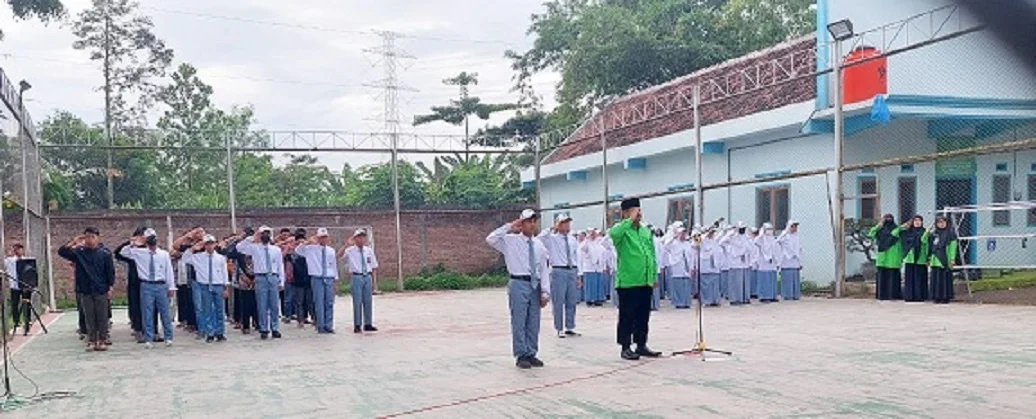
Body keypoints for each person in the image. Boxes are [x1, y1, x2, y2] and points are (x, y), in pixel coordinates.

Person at [486, 209, 551, 369]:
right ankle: (521, 354)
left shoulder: (539, 244)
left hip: (534, 284)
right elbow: (491, 239)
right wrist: (509, 226)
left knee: (533, 321)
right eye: (528, 221)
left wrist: (545, 291)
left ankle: (531, 352)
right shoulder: (510, 241)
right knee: (519, 320)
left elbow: (543, 268)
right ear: (521, 223)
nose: (532, 224)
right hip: (518, 282)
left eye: (534, 221)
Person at [609, 198, 661, 361]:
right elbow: (613, 234)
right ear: (625, 213)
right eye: (634, 210)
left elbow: (651, 254)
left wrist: (653, 275)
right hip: (628, 281)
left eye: (639, 210)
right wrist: (628, 220)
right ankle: (625, 347)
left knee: (643, 315)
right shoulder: (622, 230)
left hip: (644, 280)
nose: (638, 214)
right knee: (627, 316)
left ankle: (641, 344)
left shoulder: (645, 231)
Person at [58, 228, 115, 352]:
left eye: (92, 237)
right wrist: (73, 242)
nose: (90, 240)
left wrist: (110, 287)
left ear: (98, 238)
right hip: (85, 289)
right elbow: (62, 252)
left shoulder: (105, 253)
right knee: (89, 316)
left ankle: (102, 339)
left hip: (101, 289)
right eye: (87, 237)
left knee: (102, 315)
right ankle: (92, 340)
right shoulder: (79, 252)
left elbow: (110, 272)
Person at [119, 228, 176, 349]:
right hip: (146, 284)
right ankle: (148, 337)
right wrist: (133, 242)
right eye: (149, 240)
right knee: (147, 312)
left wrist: (171, 287)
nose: (152, 243)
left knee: (165, 312)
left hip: (161, 284)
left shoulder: (163, 254)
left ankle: (168, 337)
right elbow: (122, 252)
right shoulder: (139, 253)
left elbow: (169, 271)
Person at [234, 226, 286, 340]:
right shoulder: (254, 248)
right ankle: (263, 328)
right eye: (263, 234)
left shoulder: (276, 249)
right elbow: (239, 247)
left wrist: (281, 281)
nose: (265, 236)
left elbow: (280, 265)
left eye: (267, 233)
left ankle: (275, 328)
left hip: (273, 276)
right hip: (260, 277)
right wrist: (253, 237)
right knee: (262, 305)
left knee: (274, 305)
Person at [538, 213, 582, 338]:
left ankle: (570, 326)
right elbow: (540, 238)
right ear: (558, 224)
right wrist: (553, 228)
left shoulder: (572, 239)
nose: (567, 225)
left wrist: (578, 275)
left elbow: (575, 257)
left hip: (571, 270)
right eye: (563, 223)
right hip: (559, 270)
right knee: (558, 301)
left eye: (568, 222)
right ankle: (559, 327)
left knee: (571, 301)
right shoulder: (551, 238)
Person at [186, 234, 229, 342]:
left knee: (220, 310)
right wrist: (193, 249)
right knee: (207, 310)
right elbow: (185, 258)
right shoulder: (198, 257)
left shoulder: (220, 258)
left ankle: (220, 332)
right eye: (207, 244)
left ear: (215, 244)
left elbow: (224, 273)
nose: (209, 246)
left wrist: (225, 287)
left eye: (211, 244)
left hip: (218, 284)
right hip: (204, 285)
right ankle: (210, 332)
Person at [297, 228, 339, 334]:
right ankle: (320, 325)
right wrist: (307, 242)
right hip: (317, 277)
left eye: (325, 237)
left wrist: (335, 280)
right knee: (319, 302)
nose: (323, 240)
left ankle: (328, 325)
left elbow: (333, 265)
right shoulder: (311, 249)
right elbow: (298, 250)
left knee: (329, 302)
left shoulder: (331, 250)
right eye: (321, 237)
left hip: (328, 277)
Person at [341, 229, 379, 334]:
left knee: (368, 301)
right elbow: (339, 256)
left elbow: (374, 266)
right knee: (357, 301)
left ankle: (368, 323)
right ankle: (357, 324)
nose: (361, 239)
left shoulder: (368, 251)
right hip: (356, 276)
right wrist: (345, 245)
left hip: (367, 276)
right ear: (355, 238)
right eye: (359, 237)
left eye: (363, 237)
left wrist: (374, 283)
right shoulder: (350, 250)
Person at [173, 227, 205, 338]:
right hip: (194, 278)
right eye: (197, 232)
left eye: (201, 232)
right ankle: (197, 326)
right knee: (196, 304)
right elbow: (176, 246)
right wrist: (187, 236)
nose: (199, 234)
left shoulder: (207, 244)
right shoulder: (190, 246)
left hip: (208, 278)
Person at [869, 214, 904, 301]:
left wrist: (901, 257)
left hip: (893, 257)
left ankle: (893, 295)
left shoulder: (897, 230)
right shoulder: (880, 230)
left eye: (890, 218)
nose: (888, 220)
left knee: (893, 277)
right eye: (886, 218)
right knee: (882, 277)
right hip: (883, 257)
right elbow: (870, 234)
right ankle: (882, 295)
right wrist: (878, 225)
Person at [900, 215, 929, 302]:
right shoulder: (907, 232)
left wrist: (928, 257)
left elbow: (925, 242)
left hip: (921, 258)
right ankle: (909, 296)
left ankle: (920, 296)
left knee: (920, 278)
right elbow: (895, 233)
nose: (917, 222)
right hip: (910, 258)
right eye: (915, 220)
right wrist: (902, 226)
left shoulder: (925, 232)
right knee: (909, 279)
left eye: (919, 220)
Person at [286, 230, 313, 327]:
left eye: (303, 242)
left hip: (309, 279)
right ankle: (300, 320)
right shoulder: (292, 254)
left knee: (310, 301)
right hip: (297, 280)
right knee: (299, 301)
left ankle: (314, 318)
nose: (301, 244)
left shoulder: (310, 252)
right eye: (298, 242)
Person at [929, 217, 958, 304]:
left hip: (945, 259)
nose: (941, 224)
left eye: (943, 222)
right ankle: (936, 297)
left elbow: (953, 247)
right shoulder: (934, 234)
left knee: (945, 279)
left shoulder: (950, 234)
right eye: (939, 222)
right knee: (936, 279)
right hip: (935, 260)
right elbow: (931, 246)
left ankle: (945, 297)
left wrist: (952, 259)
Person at [722, 222, 752, 305]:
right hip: (734, 263)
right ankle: (734, 299)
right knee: (735, 282)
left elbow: (750, 248)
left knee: (744, 283)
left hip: (744, 263)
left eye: (744, 228)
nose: (742, 230)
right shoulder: (732, 237)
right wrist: (731, 233)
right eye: (741, 228)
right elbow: (721, 242)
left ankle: (744, 298)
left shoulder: (746, 238)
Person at [665, 228, 694, 309]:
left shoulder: (688, 244)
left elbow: (691, 257)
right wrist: (673, 237)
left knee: (686, 285)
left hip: (686, 267)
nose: (683, 235)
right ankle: (678, 303)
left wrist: (692, 267)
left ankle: (686, 302)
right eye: (681, 233)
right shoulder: (673, 243)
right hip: (677, 267)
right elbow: (666, 246)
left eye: (684, 233)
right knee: (678, 286)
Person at [776, 220, 804, 301]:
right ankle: (787, 295)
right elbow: (777, 241)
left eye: (795, 226)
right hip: (786, 260)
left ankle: (795, 294)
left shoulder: (797, 236)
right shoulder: (785, 236)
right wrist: (785, 232)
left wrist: (801, 262)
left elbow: (800, 249)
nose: (795, 228)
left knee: (795, 278)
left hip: (795, 261)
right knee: (787, 278)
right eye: (793, 226)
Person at [4, 243, 29, 330]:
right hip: (14, 286)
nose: (19, 251)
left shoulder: (26, 260)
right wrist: (9, 253)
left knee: (27, 302)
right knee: (15, 304)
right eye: (17, 249)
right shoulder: (9, 260)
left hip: (25, 285)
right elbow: (4, 265)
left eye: (20, 249)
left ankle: (27, 319)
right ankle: (16, 321)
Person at [754, 223, 780, 302]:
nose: (769, 231)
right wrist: (761, 234)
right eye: (768, 229)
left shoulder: (773, 239)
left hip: (772, 262)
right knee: (764, 278)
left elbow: (776, 251)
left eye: (771, 229)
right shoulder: (761, 239)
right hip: (763, 262)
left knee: (772, 278)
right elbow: (755, 241)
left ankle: (772, 296)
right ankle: (763, 296)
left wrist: (778, 262)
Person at [696, 227, 722, 306]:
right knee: (705, 286)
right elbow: (695, 243)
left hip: (714, 266)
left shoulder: (715, 241)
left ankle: (715, 301)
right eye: (711, 232)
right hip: (705, 266)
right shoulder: (702, 240)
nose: (712, 234)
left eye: (713, 233)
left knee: (714, 285)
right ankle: (705, 301)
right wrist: (705, 234)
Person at [580, 229, 605, 306]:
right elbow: (582, 248)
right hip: (589, 267)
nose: (594, 235)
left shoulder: (599, 243)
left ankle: (598, 299)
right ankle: (589, 299)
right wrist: (587, 239)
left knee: (598, 284)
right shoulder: (587, 243)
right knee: (590, 284)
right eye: (592, 234)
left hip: (598, 267)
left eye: (595, 234)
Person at [651, 228, 666, 311]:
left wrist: (661, 265)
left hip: (654, 266)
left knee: (654, 286)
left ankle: (655, 304)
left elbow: (661, 254)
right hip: (646, 267)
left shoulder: (657, 241)